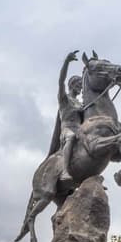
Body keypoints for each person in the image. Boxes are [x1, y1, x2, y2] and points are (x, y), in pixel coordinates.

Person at [47, 50, 84, 184]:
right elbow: (60, 81)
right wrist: (66, 62)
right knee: (71, 137)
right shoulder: (64, 99)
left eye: (81, 86)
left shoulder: (80, 103)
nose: (80, 88)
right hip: (67, 130)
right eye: (78, 85)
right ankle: (64, 171)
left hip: (80, 130)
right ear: (72, 85)